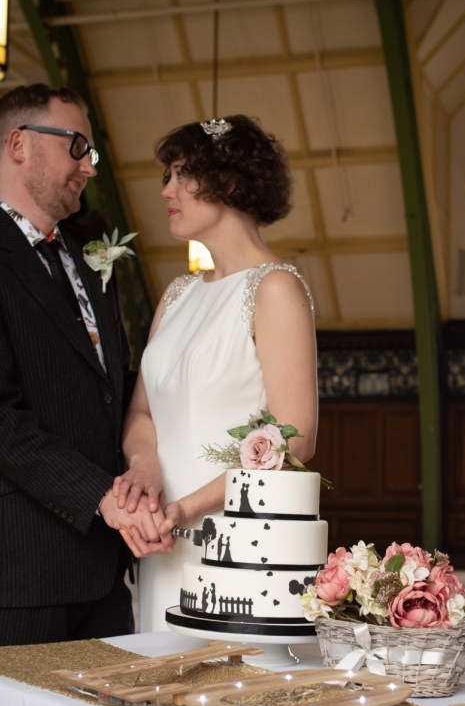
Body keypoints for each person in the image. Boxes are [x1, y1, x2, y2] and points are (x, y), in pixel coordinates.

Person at [0, 84, 168, 650]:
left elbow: (115, 388)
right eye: (77, 146)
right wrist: (103, 497)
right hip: (14, 569)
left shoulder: (90, 261)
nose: (90, 167)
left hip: (103, 568)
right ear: (19, 144)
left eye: (91, 152)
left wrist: (143, 463)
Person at [114, 115, 319, 633]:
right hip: (159, 534)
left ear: (227, 182)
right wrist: (144, 468)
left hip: (233, 542)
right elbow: (141, 410)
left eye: (182, 174)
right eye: (167, 176)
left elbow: (296, 440)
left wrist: (187, 509)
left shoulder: (276, 288)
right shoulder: (176, 294)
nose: (166, 190)